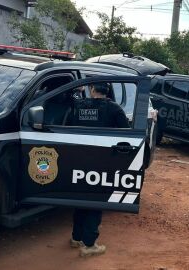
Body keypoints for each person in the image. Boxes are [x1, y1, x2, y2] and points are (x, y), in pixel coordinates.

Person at [68, 83, 129, 257]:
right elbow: (126, 135)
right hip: (101, 162)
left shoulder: (79, 106)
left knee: (80, 198)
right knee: (95, 201)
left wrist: (76, 92)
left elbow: (69, 125)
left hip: (78, 159)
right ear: (108, 91)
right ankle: (89, 245)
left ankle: (76, 238)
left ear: (93, 90)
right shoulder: (115, 109)